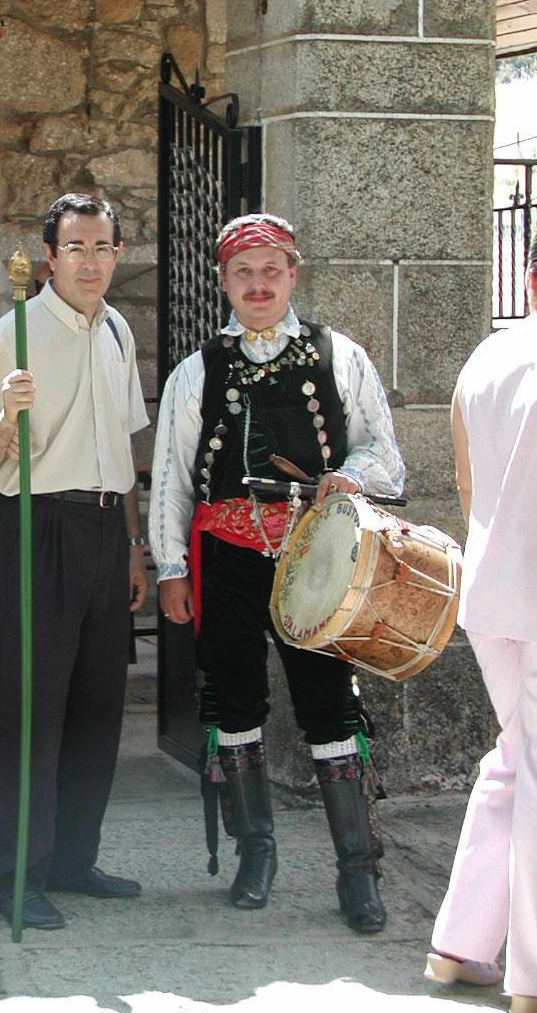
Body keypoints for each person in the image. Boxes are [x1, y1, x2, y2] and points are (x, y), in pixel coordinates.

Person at [149, 212, 404, 933]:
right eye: (243, 273)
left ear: (293, 274)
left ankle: (359, 870)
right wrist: (171, 568)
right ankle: (254, 855)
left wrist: (352, 477)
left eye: (270, 271)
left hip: (314, 559)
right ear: (224, 281)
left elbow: (384, 454)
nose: (257, 286)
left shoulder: (341, 356)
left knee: (330, 704)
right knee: (234, 703)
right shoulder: (196, 371)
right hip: (224, 559)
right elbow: (171, 479)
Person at [0, 192, 149, 930]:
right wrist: (7, 416)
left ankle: (71, 861)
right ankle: (13, 879)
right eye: (76, 247)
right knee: (33, 712)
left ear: (117, 254)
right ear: (50, 257)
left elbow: (123, 451)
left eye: (102, 247)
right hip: (38, 526)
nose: (90, 262)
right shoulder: (16, 332)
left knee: (99, 706)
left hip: (104, 531)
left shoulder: (118, 331)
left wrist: (132, 547)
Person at [424, 236, 537, 1011]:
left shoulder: (485, 359)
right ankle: (528, 974)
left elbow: (467, 486)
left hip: (491, 591)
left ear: (527, 279)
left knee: (514, 761)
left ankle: (460, 946)